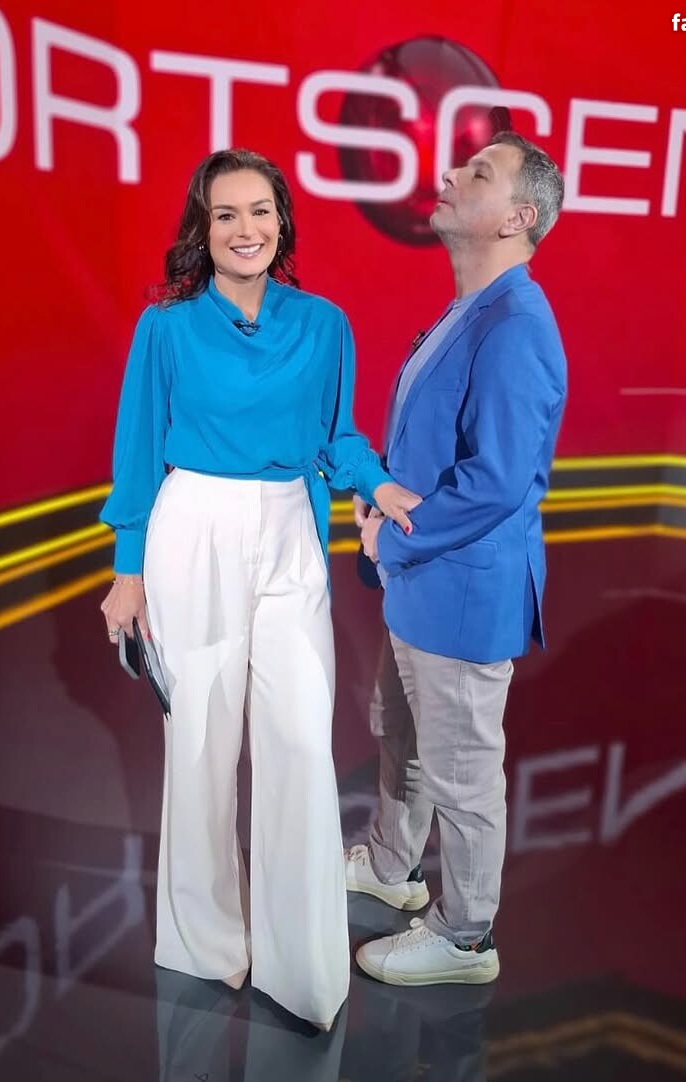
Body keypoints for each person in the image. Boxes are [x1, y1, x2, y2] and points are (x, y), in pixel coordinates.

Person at [98, 148, 420, 1030]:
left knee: (300, 743)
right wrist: (127, 571)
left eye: (261, 211)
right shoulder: (166, 328)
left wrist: (378, 482)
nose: (247, 229)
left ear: (283, 222)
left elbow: (338, 437)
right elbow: (137, 452)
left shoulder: (323, 324)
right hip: (190, 530)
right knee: (200, 745)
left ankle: (302, 970)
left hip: (288, 537)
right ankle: (204, 944)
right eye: (227, 214)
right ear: (203, 230)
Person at [345, 133, 568, 986]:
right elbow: (434, 448)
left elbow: (497, 482)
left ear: (518, 217)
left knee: (464, 773)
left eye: (478, 174)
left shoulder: (517, 326)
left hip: (463, 592)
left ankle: (466, 936)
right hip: (421, 582)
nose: (448, 175)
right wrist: (382, 497)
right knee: (400, 735)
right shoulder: (472, 309)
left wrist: (394, 532)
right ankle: (391, 867)